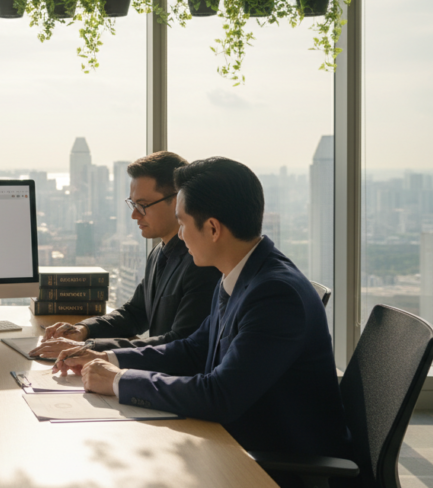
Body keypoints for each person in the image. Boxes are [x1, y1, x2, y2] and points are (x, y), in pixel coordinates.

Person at [54, 157, 352, 487]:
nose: (179, 235)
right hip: (235, 441)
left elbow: (220, 396)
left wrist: (118, 381)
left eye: (182, 224)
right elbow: (193, 350)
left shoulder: (274, 294)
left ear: (212, 228)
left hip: (278, 465)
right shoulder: (241, 274)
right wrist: (106, 358)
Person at [32, 151, 218, 360]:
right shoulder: (159, 252)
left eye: (143, 205)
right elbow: (136, 313)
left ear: (177, 201)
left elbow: (178, 344)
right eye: (133, 203)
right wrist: (83, 330)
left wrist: (90, 347)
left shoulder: (201, 263)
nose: (134, 214)